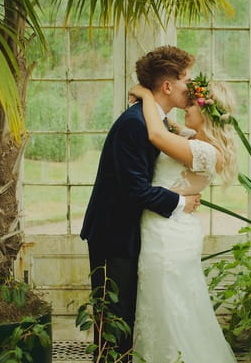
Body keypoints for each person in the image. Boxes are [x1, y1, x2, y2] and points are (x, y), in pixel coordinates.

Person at [79, 45, 201, 362]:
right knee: (113, 324)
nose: (190, 86)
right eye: (186, 79)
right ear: (168, 85)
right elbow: (135, 190)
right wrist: (181, 202)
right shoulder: (133, 124)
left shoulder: (152, 122)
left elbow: (179, 138)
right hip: (114, 237)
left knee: (128, 320)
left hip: (131, 235)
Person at [129, 75, 238, 363]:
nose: (186, 107)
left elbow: (156, 134)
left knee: (170, 309)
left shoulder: (204, 151)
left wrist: (146, 94)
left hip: (168, 236)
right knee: (166, 308)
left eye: (193, 103)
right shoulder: (194, 140)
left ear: (207, 113)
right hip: (167, 226)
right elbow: (172, 127)